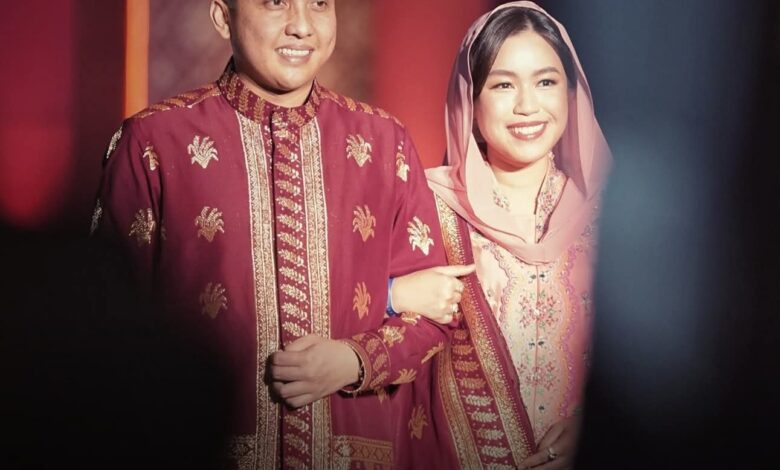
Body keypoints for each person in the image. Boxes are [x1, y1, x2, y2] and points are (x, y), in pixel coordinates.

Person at [91, 0, 450, 467]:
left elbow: (434, 319)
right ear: (223, 17)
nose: (301, 26)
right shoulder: (154, 142)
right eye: (276, 3)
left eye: (319, 4)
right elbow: (103, 326)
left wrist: (355, 360)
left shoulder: (384, 142)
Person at [389, 2, 611, 468]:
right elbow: (348, 312)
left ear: (571, 94)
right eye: (504, 84)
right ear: (470, 100)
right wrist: (394, 293)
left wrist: (591, 430)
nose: (527, 105)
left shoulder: (609, 217)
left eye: (546, 82)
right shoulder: (426, 208)